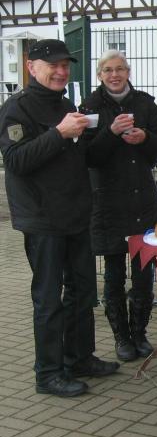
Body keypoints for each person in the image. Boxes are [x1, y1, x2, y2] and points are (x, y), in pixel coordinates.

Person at [0, 39, 119, 397]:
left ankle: (79, 358)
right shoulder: (16, 108)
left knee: (82, 292)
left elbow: (82, 157)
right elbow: (16, 161)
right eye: (53, 65)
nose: (61, 71)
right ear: (31, 66)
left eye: (65, 65)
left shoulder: (65, 104)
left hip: (76, 214)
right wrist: (59, 133)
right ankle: (48, 373)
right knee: (48, 299)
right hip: (42, 218)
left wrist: (109, 135)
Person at [83, 51, 157, 362]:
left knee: (144, 272)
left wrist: (145, 137)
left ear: (128, 72)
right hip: (108, 201)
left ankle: (140, 333)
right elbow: (88, 156)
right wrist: (111, 133)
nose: (114, 74)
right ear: (100, 75)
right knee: (114, 275)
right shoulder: (90, 106)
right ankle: (121, 337)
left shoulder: (144, 103)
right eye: (108, 70)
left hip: (142, 199)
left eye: (120, 69)